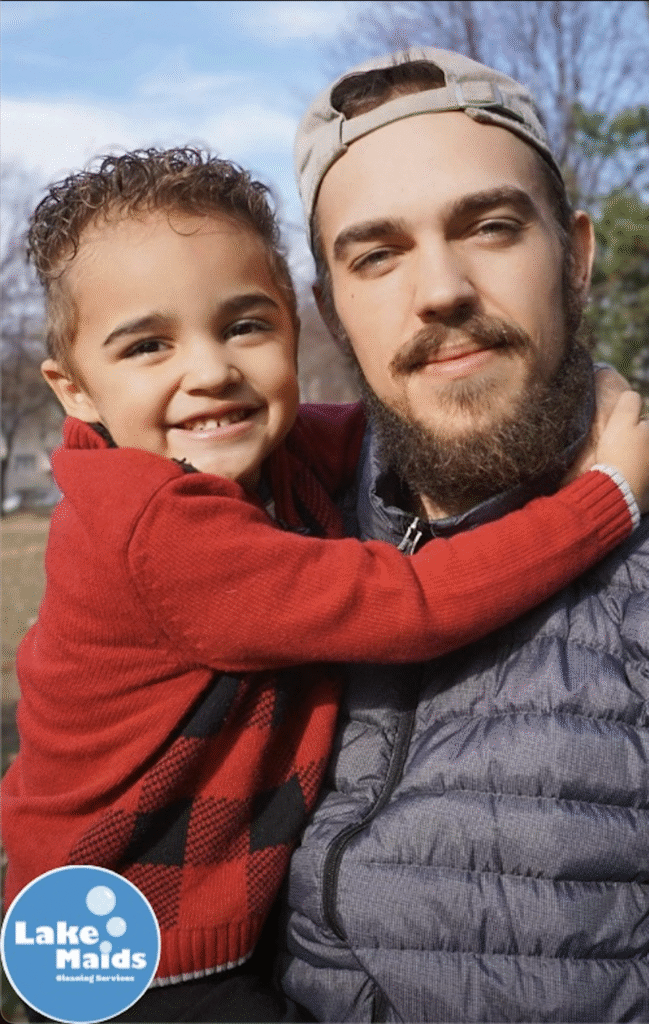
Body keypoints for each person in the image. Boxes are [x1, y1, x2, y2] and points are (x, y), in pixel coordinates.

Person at [1, 147, 645, 1024]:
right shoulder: (156, 525)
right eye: (148, 345)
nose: (210, 371)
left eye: (244, 326)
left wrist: (542, 401)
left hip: (193, 920)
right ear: (75, 391)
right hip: (125, 945)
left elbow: (379, 425)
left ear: (294, 330)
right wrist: (604, 498)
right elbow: (408, 605)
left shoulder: (257, 453)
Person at [280, 48, 649, 1023]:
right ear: (330, 309)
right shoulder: (270, 532)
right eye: (376, 254)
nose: (439, 289)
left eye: (488, 226)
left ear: (573, 255)